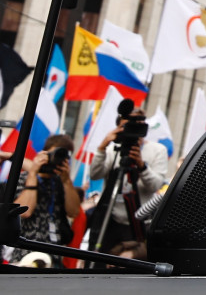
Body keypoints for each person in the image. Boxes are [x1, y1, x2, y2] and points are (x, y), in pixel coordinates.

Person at [89, 105, 167, 256]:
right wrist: (102, 147)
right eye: (125, 126)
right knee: (99, 262)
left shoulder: (158, 150)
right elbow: (95, 174)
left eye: (134, 126)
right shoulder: (113, 150)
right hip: (110, 221)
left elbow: (155, 186)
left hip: (138, 223)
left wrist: (141, 166)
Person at [10, 135, 82, 267]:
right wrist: (33, 174)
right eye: (54, 154)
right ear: (43, 153)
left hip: (53, 255)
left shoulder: (61, 182)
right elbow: (25, 212)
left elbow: (74, 212)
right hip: (25, 254)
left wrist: (66, 180)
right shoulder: (23, 178)